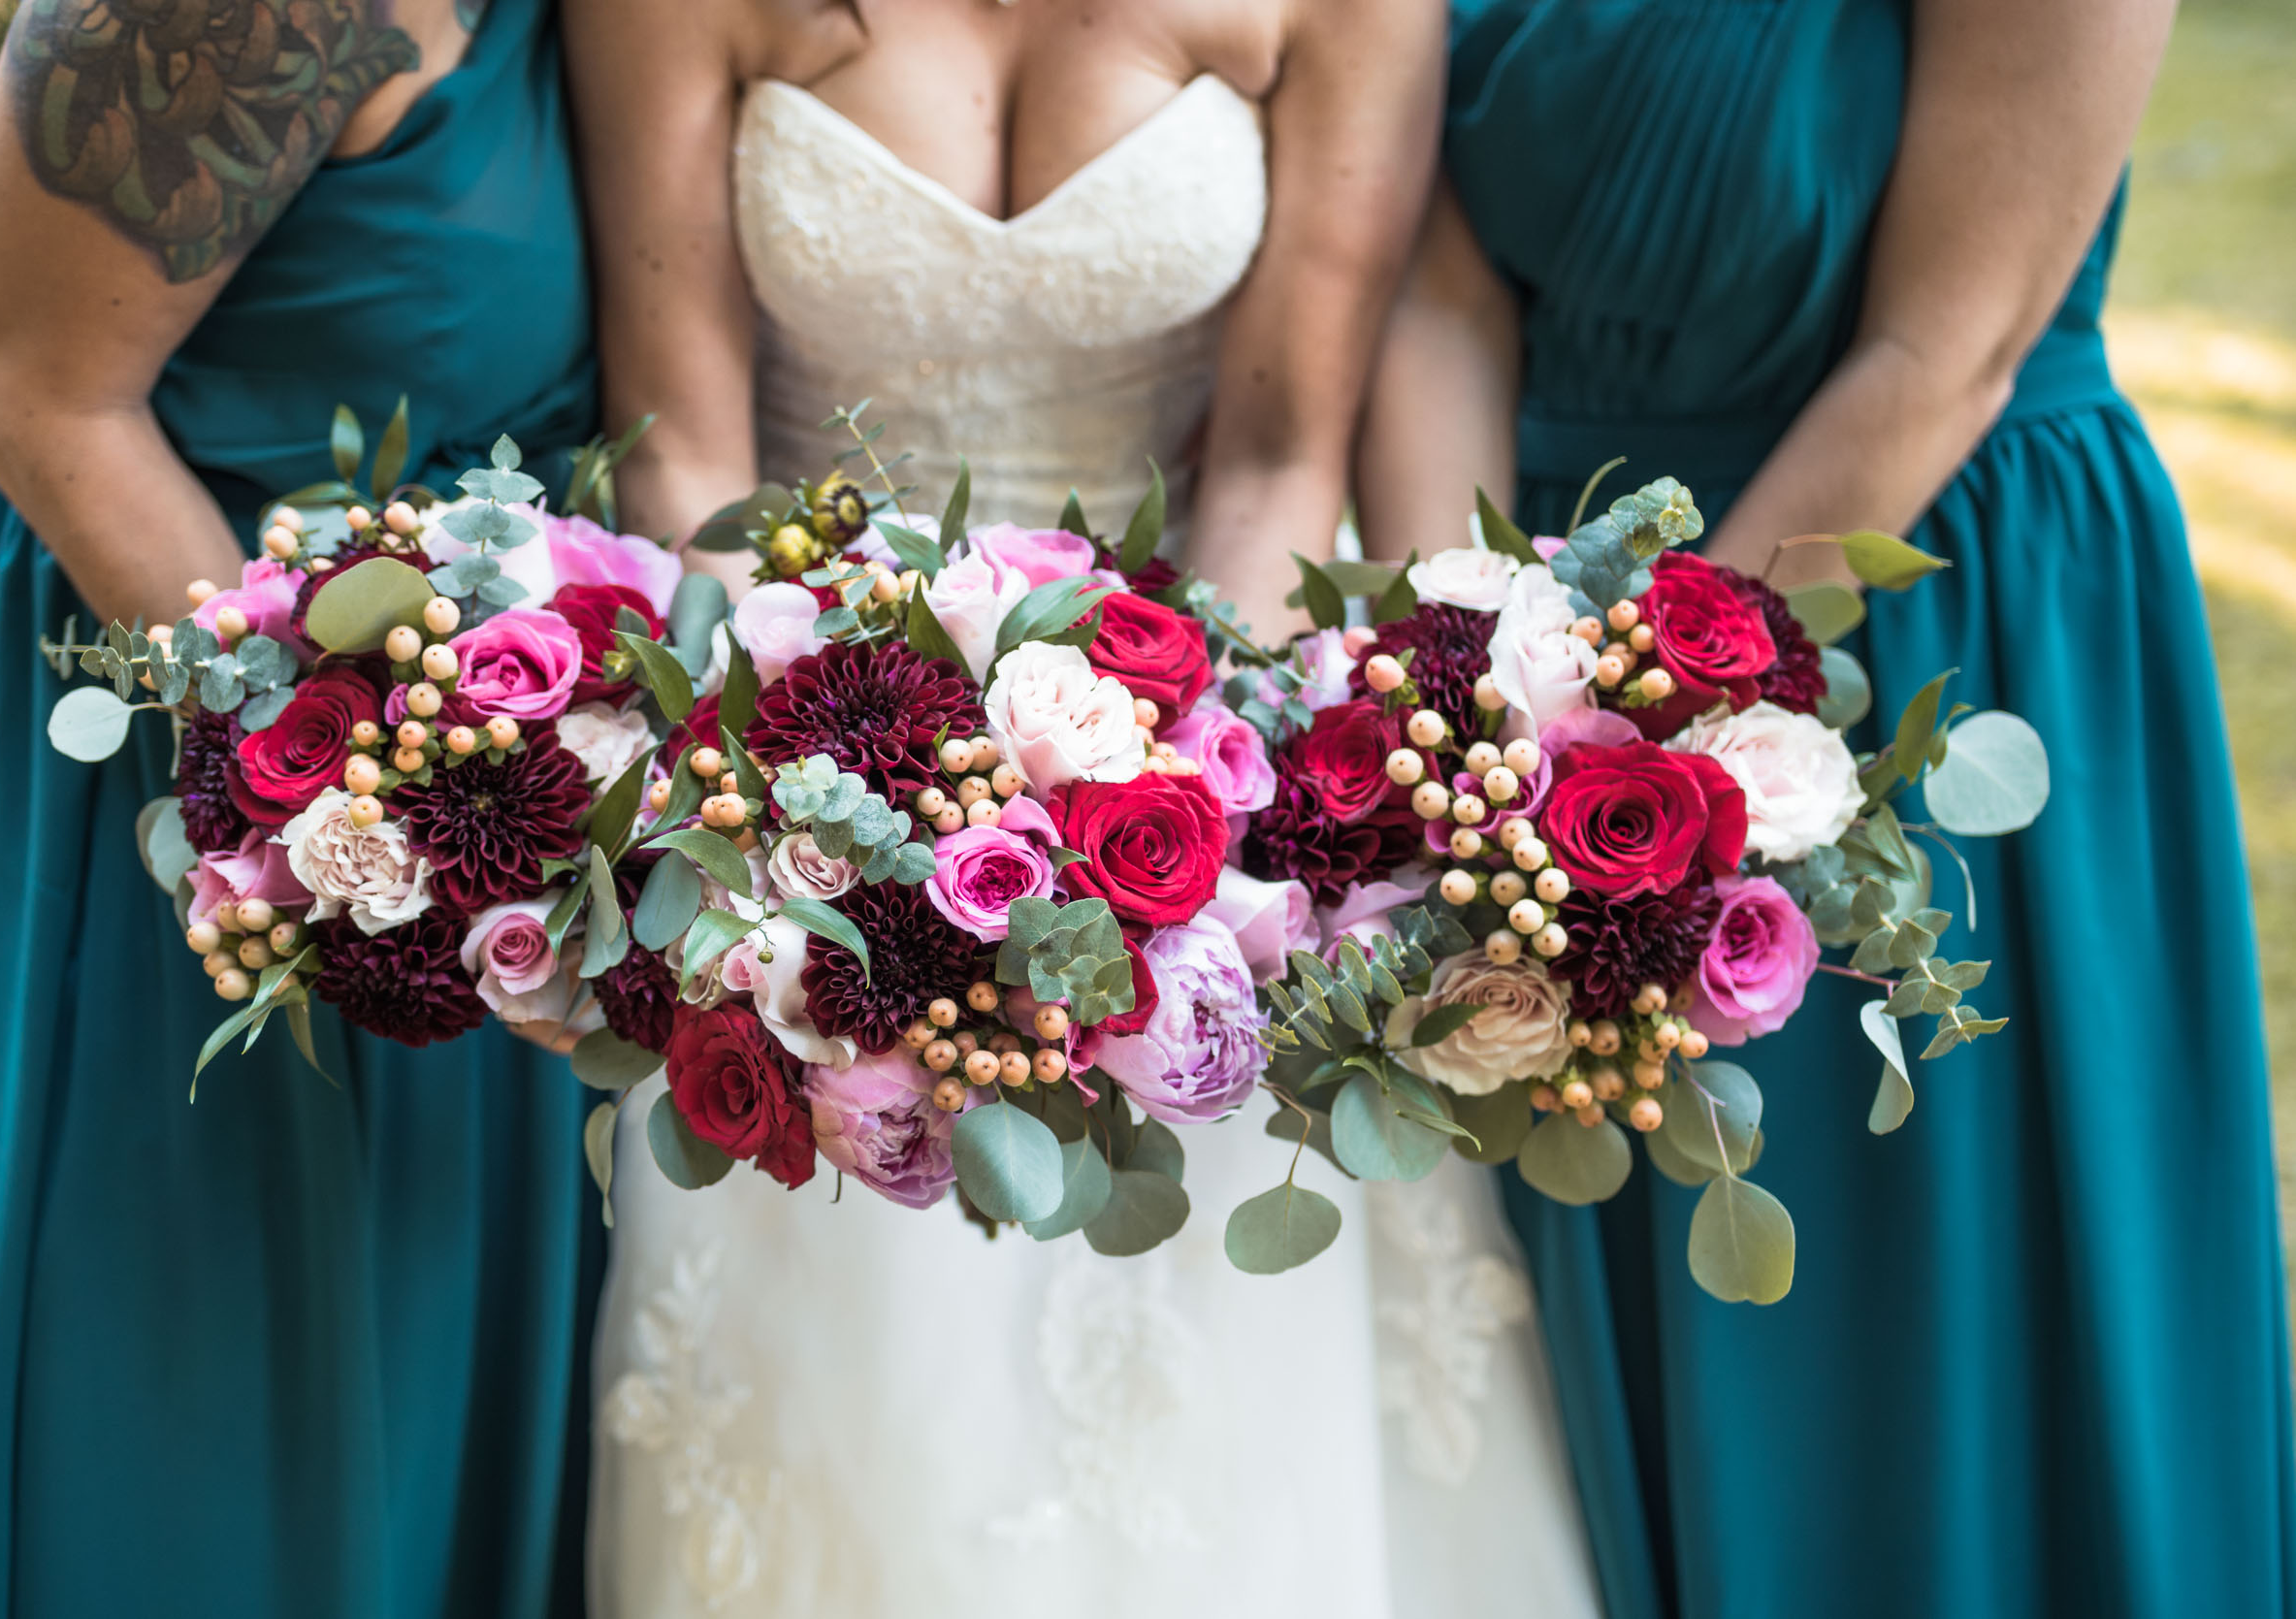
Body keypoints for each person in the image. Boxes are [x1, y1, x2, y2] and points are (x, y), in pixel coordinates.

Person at [564, 1, 1604, 1613]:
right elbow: (686, 463)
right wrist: (808, 856)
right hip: (804, 839)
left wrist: (1153, 824)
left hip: (1185, 818)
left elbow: (1276, 456)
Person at [1359, 1, 2296, 1615]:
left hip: (1908, 605)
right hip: (1546, 649)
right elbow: (1442, 295)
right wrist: (1469, 710)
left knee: (1913, 1358)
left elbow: (1947, 347)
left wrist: (1633, 758)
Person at [0, 0, 603, 1609]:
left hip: (511, 782)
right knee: (240, 1445)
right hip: (237, 775)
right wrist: (360, 828)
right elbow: (38, 391)